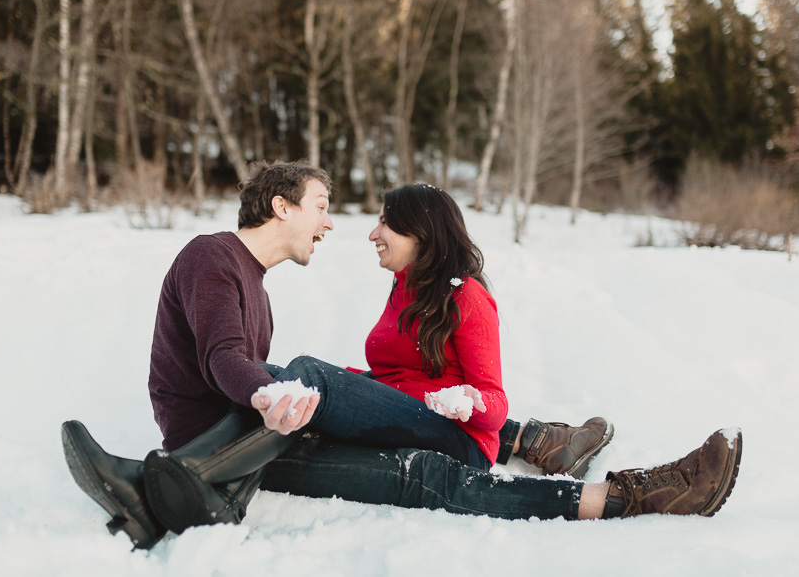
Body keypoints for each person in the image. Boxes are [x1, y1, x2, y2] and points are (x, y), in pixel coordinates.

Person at [62, 162, 741, 550]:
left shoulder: (465, 296)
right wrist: (298, 395)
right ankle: (625, 487)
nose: (351, 227)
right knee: (423, 476)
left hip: (437, 428)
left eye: (383, 221)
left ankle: (162, 483)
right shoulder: (227, 261)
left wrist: (476, 406)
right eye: (324, 207)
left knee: (306, 372)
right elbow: (370, 381)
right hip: (290, 438)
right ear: (281, 205)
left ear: (422, 232)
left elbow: (473, 389)